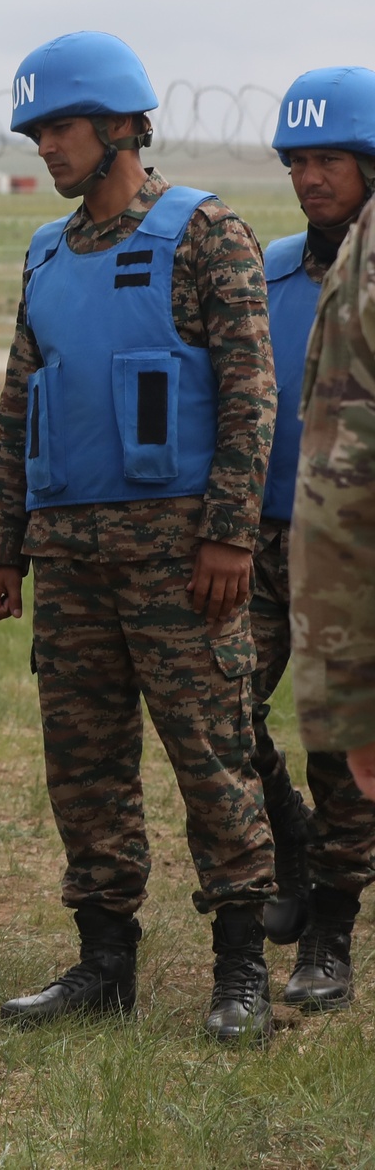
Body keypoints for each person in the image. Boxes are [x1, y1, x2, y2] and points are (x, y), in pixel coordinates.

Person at [0, 31, 277, 1045]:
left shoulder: (205, 233)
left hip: (179, 554)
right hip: (67, 556)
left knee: (208, 753)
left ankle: (240, 964)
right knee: (84, 762)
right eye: (35, 131)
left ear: (119, 129)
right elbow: (20, 398)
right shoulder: (43, 251)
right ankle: (101, 961)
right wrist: (2, 541)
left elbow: (248, 394)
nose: (44, 147)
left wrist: (229, 536)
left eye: (59, 127)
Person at [263, 67, 375, 1008]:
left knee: (342, 744)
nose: (310, 177)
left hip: (358, 550)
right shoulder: (262, 274)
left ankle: (330, 939)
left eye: (329, 158)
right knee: (216, 717)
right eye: (297, 161)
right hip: (261, 540)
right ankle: (288, 840)